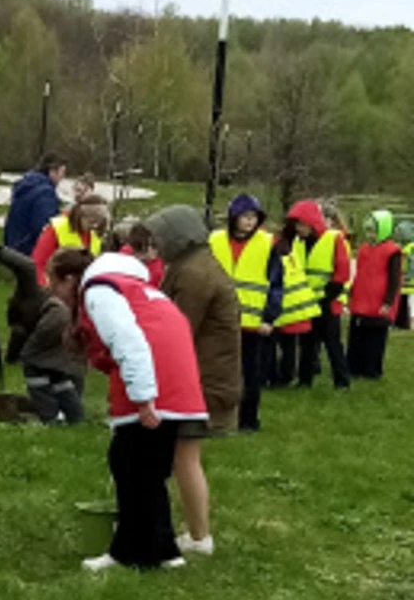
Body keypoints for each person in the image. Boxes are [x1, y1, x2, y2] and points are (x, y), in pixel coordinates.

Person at [73, 252, 209, 572]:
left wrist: (144, 396)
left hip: (154, 387)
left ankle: (125, 554)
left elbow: (128, 339)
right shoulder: (148, 292)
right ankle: (165, 551)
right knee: (151, 471)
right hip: (181, 388)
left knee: (130, 466)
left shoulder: (101, 290)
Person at [144, 205, 241, 557]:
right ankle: (187, 530)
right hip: (199, 376)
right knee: (179, 455)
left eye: (159, 236)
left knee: (186, 455)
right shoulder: (194, 266)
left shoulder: (195, 275)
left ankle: (200, 538)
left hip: (202, 381)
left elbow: (177, 327)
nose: (155, 244)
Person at [0, 242, 87, 424]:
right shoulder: (84, 299)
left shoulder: (33, 293)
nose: (49, 284)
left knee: (34, 369)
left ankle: (50, 417)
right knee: (60, 376)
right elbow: (78, 364)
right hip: (62, 345)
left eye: (51, 278)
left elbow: (26, 266)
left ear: (67, 279)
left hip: (50, 331)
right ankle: (73, 415)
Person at [210, 194, 279, 432]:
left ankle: (248, 421)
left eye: (253, 217)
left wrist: (270, 317)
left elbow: (276, 284)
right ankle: (218, 418)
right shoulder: (215, 241)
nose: (249, 222)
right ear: (233, 217)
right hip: (220, 320)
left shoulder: (268, 243)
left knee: (250, 375)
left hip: (253, 322)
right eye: (245, 216)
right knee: (219, 372)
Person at [270, 200, 348, 389]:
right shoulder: (297, 242)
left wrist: (328, 296)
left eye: (302, 224)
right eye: (296, 225)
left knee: (332, 342)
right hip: (307, 301)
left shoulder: (333, 238)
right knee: (307, 342)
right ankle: (305, 380)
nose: (299, 228)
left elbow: (342, 271)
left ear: (312, 222)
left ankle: (342, 381)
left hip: (328, 300)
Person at [347, 210, 404, 379]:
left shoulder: (393, 251)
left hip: (379, 299)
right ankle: (353, 367)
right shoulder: (364, 249)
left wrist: (388, 301)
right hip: (361, 296)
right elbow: (359, 272)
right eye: (368, 231)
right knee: (357, 334)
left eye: (374, 231)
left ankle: (372, 370)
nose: (370, 235)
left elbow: (395, 279)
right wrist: (351, 292)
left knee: (375, 337)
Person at [4, 154, 66, 255]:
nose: (62, 177)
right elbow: (44, 228)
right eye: (62, 172)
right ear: (52, 171)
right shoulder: (45, 194)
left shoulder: (27, 186)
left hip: (14, 244)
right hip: (29, 250)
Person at [31, 193, 109, 273]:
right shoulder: (57, 228)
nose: (95, 226)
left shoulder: (94, 235)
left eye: (99, 222)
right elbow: (38, 263)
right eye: (91, 221)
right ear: (80, 215)